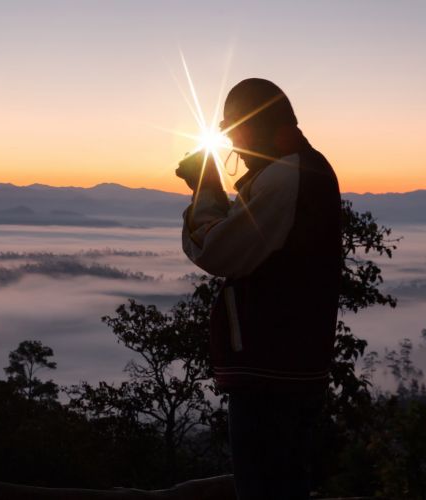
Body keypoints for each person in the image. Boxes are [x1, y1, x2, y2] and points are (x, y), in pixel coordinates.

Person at [176, 78, 342, 500]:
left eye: (235, 129)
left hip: (273, 374)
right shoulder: (297, 171)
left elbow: (219, 251)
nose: (232, 140)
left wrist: (205, 189)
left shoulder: (287, 178)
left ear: (256, 126)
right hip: (288, 369)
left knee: (266, 489)